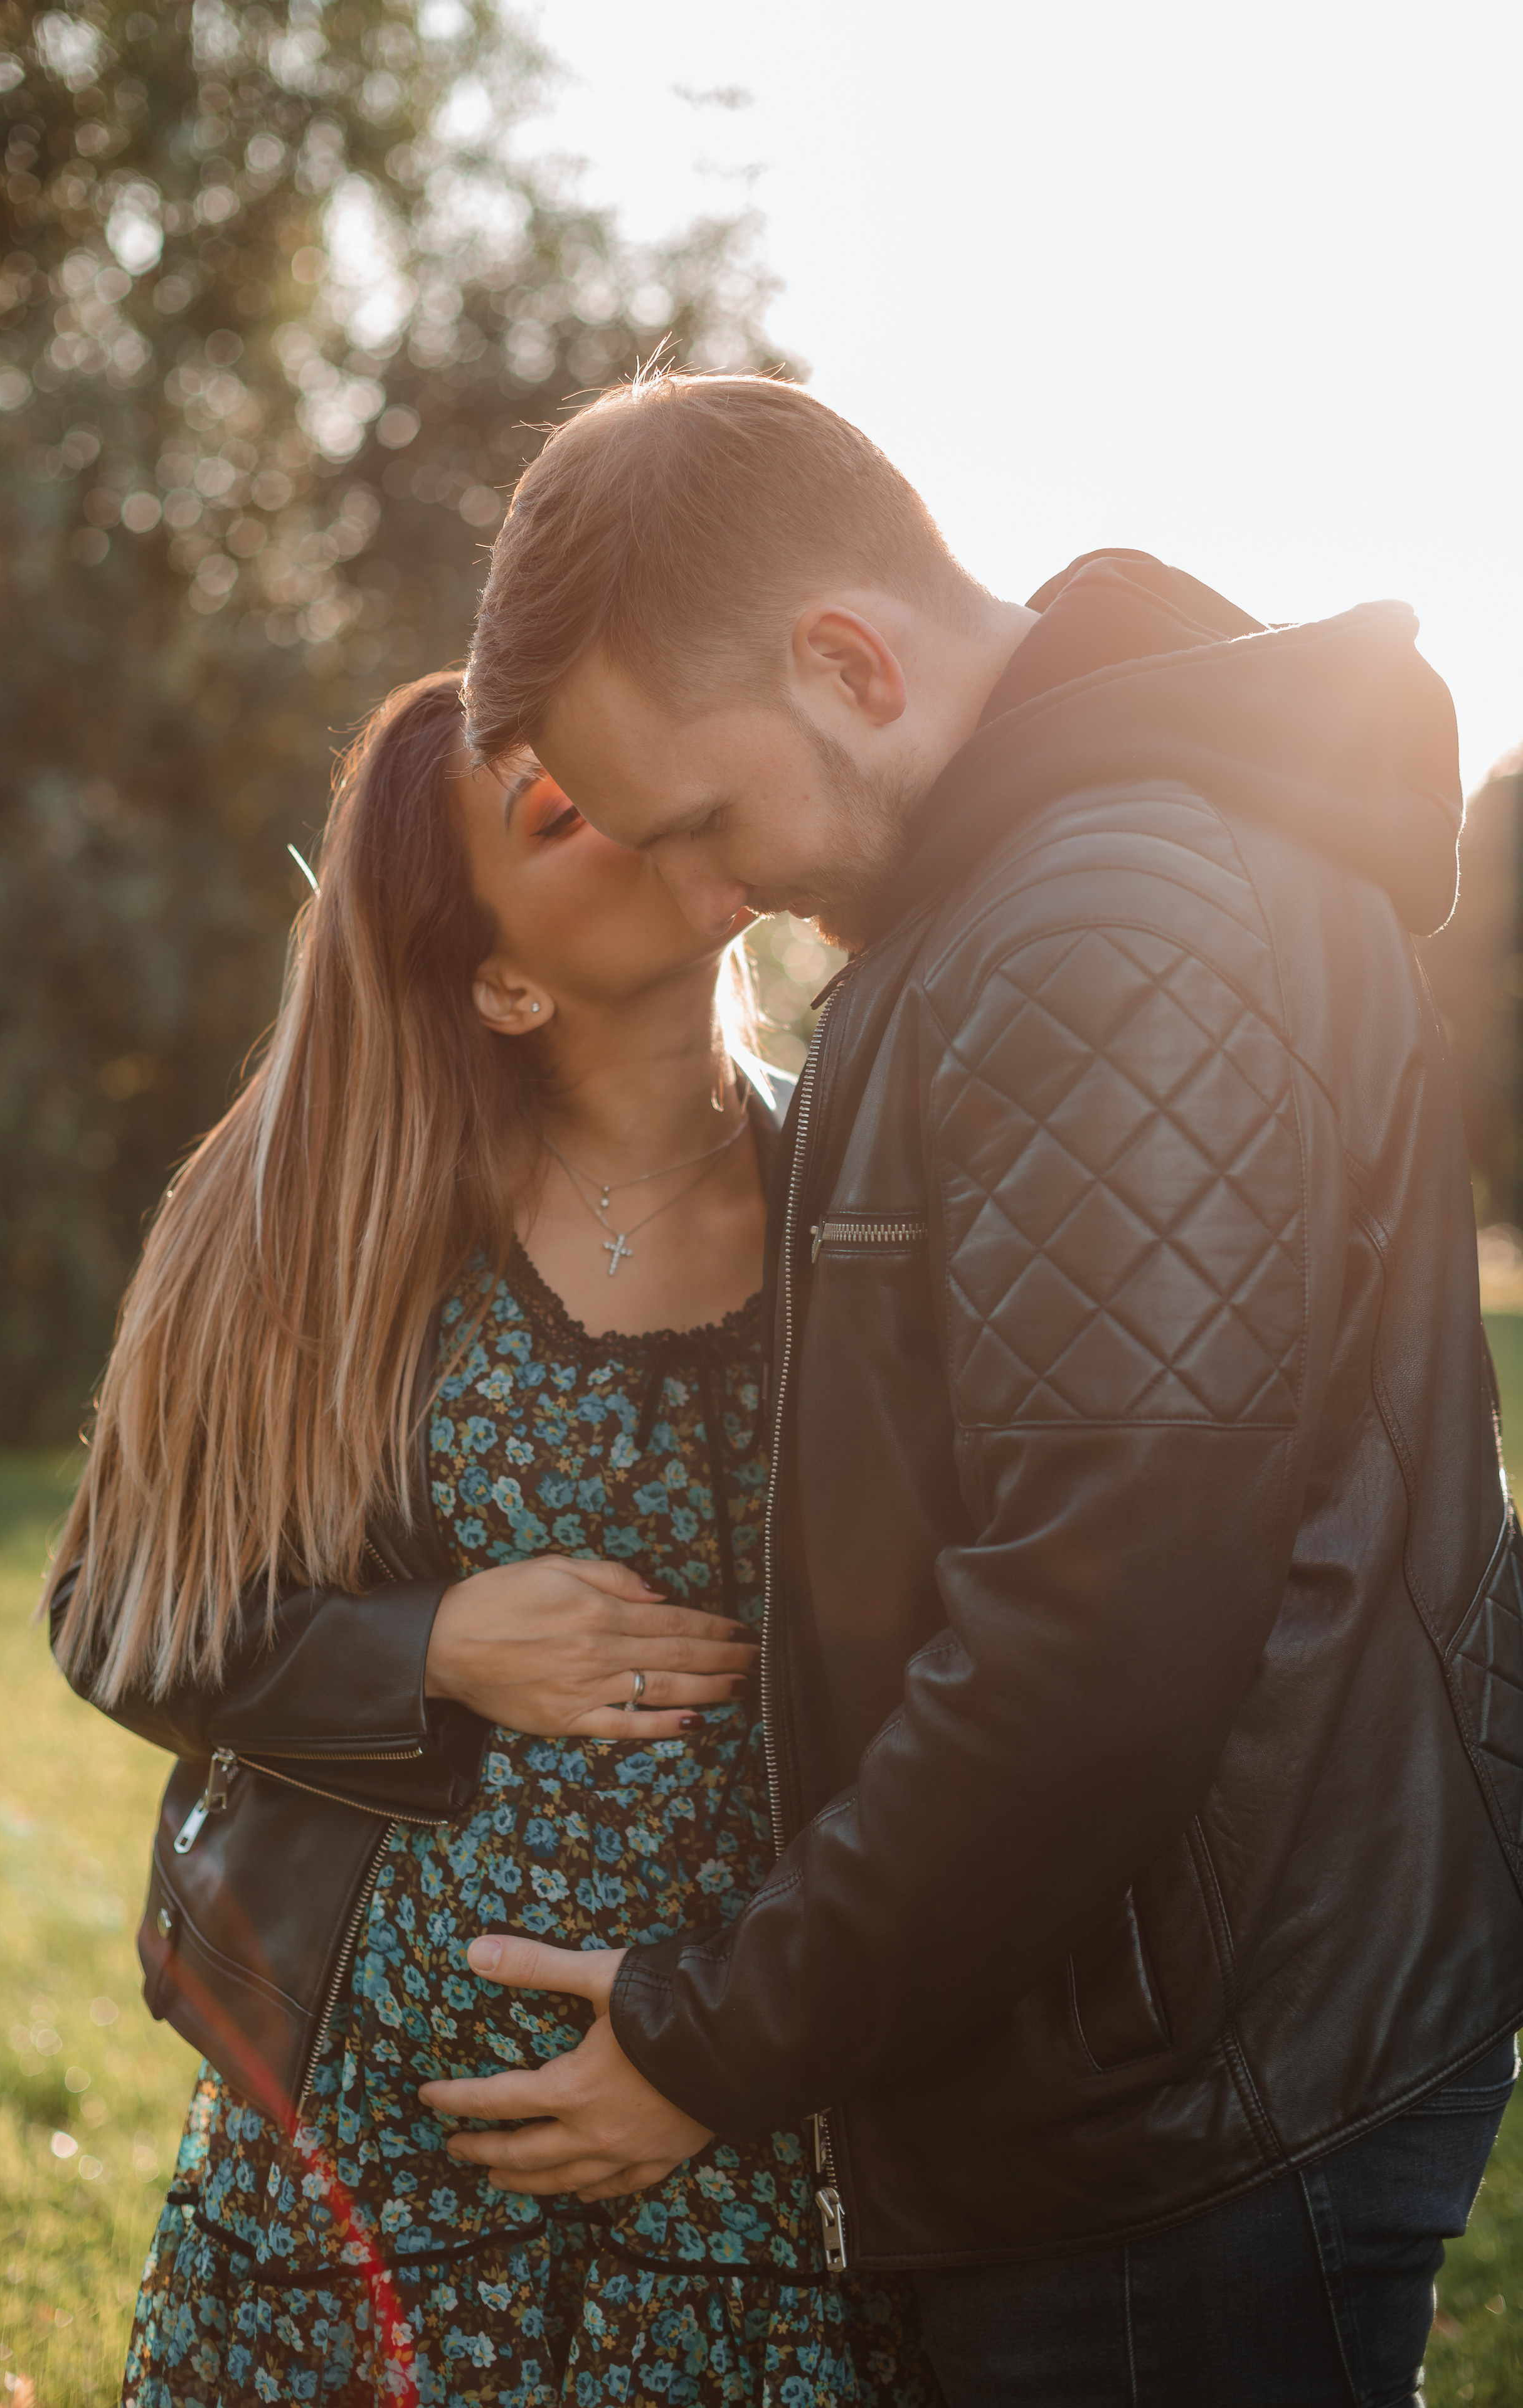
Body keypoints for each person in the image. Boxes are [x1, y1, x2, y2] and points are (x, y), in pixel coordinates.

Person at [433, 372, 1523, 2405]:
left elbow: (1095, 1630)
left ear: (849, 661)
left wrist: (715, 2035)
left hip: (1176, 2112)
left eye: (703, 823)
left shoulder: (1101, 925)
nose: (707, 902)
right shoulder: (1041, 895)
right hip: (1169, 2057)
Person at [45, 671, 938, 2406]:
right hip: (384, 2151)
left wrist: (731, 2045)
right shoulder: (324, 1214)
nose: (631, 787)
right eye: (557, 807)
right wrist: (428, 1645)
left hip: (761, 2132)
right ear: (505, 981)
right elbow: (115, 1614)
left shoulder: (872, 1190)